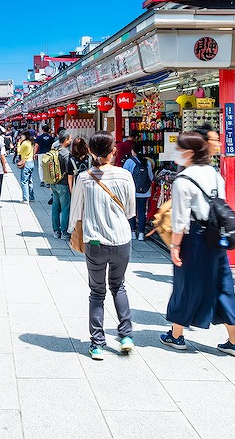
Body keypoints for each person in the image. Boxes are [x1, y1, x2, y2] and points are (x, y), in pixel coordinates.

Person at [161, 132, 235, 358]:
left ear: (189, 153)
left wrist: (175, 246)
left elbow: (179, 220)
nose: (176, 153)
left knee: (186, 284)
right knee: (222, 285)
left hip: (194, 237)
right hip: (215, 236)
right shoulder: (213, 173)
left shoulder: (183, 180)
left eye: (179, 149)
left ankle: (176, 335)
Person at [68, 131, 136, 360]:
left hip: (94, 241)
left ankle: (97, 344)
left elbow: (76, 211)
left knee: (97, 292)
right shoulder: (125, 175)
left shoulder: (84, 177)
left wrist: (74, 232)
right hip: (120, 240)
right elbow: (130, 210)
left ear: (90, 151)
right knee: (119, 286)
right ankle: (126, 335)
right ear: (113, 151)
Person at [123, 146, 155, 240]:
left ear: (133, 151)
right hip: (145, 191)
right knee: (141, 212)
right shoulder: (147, 162)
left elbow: (125, 176)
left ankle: (133, 232)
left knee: (132, 211)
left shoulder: (129, 161)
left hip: (132, 190)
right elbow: (151, 177)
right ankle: (141, 233)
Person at [51, 133, 74, 238]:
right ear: (65, 140)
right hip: (63, 184)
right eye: (70, 139)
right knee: (65, 208)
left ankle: (56, 231)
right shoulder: (66, 153)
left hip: (54, 183)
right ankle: (64, 232)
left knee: (55, 208)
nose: (71, 141)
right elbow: (70, 173)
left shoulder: (54, 151)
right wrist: (71, 189)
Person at [35, 124, 55, 188]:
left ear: (42, 130)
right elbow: (52, 147)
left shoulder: (39, 138)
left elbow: (36, 146)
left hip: (41, 153)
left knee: (41, 167)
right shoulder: (51, 138)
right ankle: (48, 181)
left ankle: (42, 181)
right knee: (48, 167)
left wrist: (34, 154)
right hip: (49, 154)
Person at [17, 132, 36, 203]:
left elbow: (19, 152)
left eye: (22, 135)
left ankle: (25, 199)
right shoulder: (31, 142)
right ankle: (31, 197)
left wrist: (19, 143)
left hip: (26, 162)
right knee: (30, 180)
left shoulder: (24, 143)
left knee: (24, 181)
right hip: (31, 162)